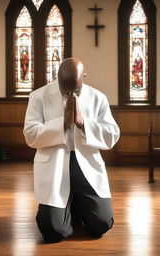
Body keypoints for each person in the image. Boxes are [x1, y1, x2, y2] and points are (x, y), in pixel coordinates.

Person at [23, 57, 120, 243]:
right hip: (55, 165)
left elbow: (112, 135)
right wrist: (62, 124)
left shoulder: (98, 97)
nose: (69, 93)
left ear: (84, 77)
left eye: (75, 89)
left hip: (86, 166)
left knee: (101, 224)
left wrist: (84, 124)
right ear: (56, 76)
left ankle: (74, 204)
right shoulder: (38, 96)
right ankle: (60, 209)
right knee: (53, 232)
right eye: (64, 88)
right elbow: (30, 135)